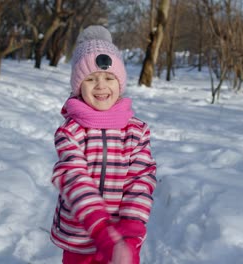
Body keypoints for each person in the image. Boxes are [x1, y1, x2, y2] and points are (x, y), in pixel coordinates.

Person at [49, 25, 157, 264]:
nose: (101, 85)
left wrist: (130, 232)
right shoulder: (71, 131)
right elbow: (72, 176)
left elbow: (140, 180)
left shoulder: (136, 131)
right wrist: (100, 230)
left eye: (109, 77)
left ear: (120, 84)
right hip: (79, 237)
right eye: (91, 79)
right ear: (78, 86)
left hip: (121, 240)